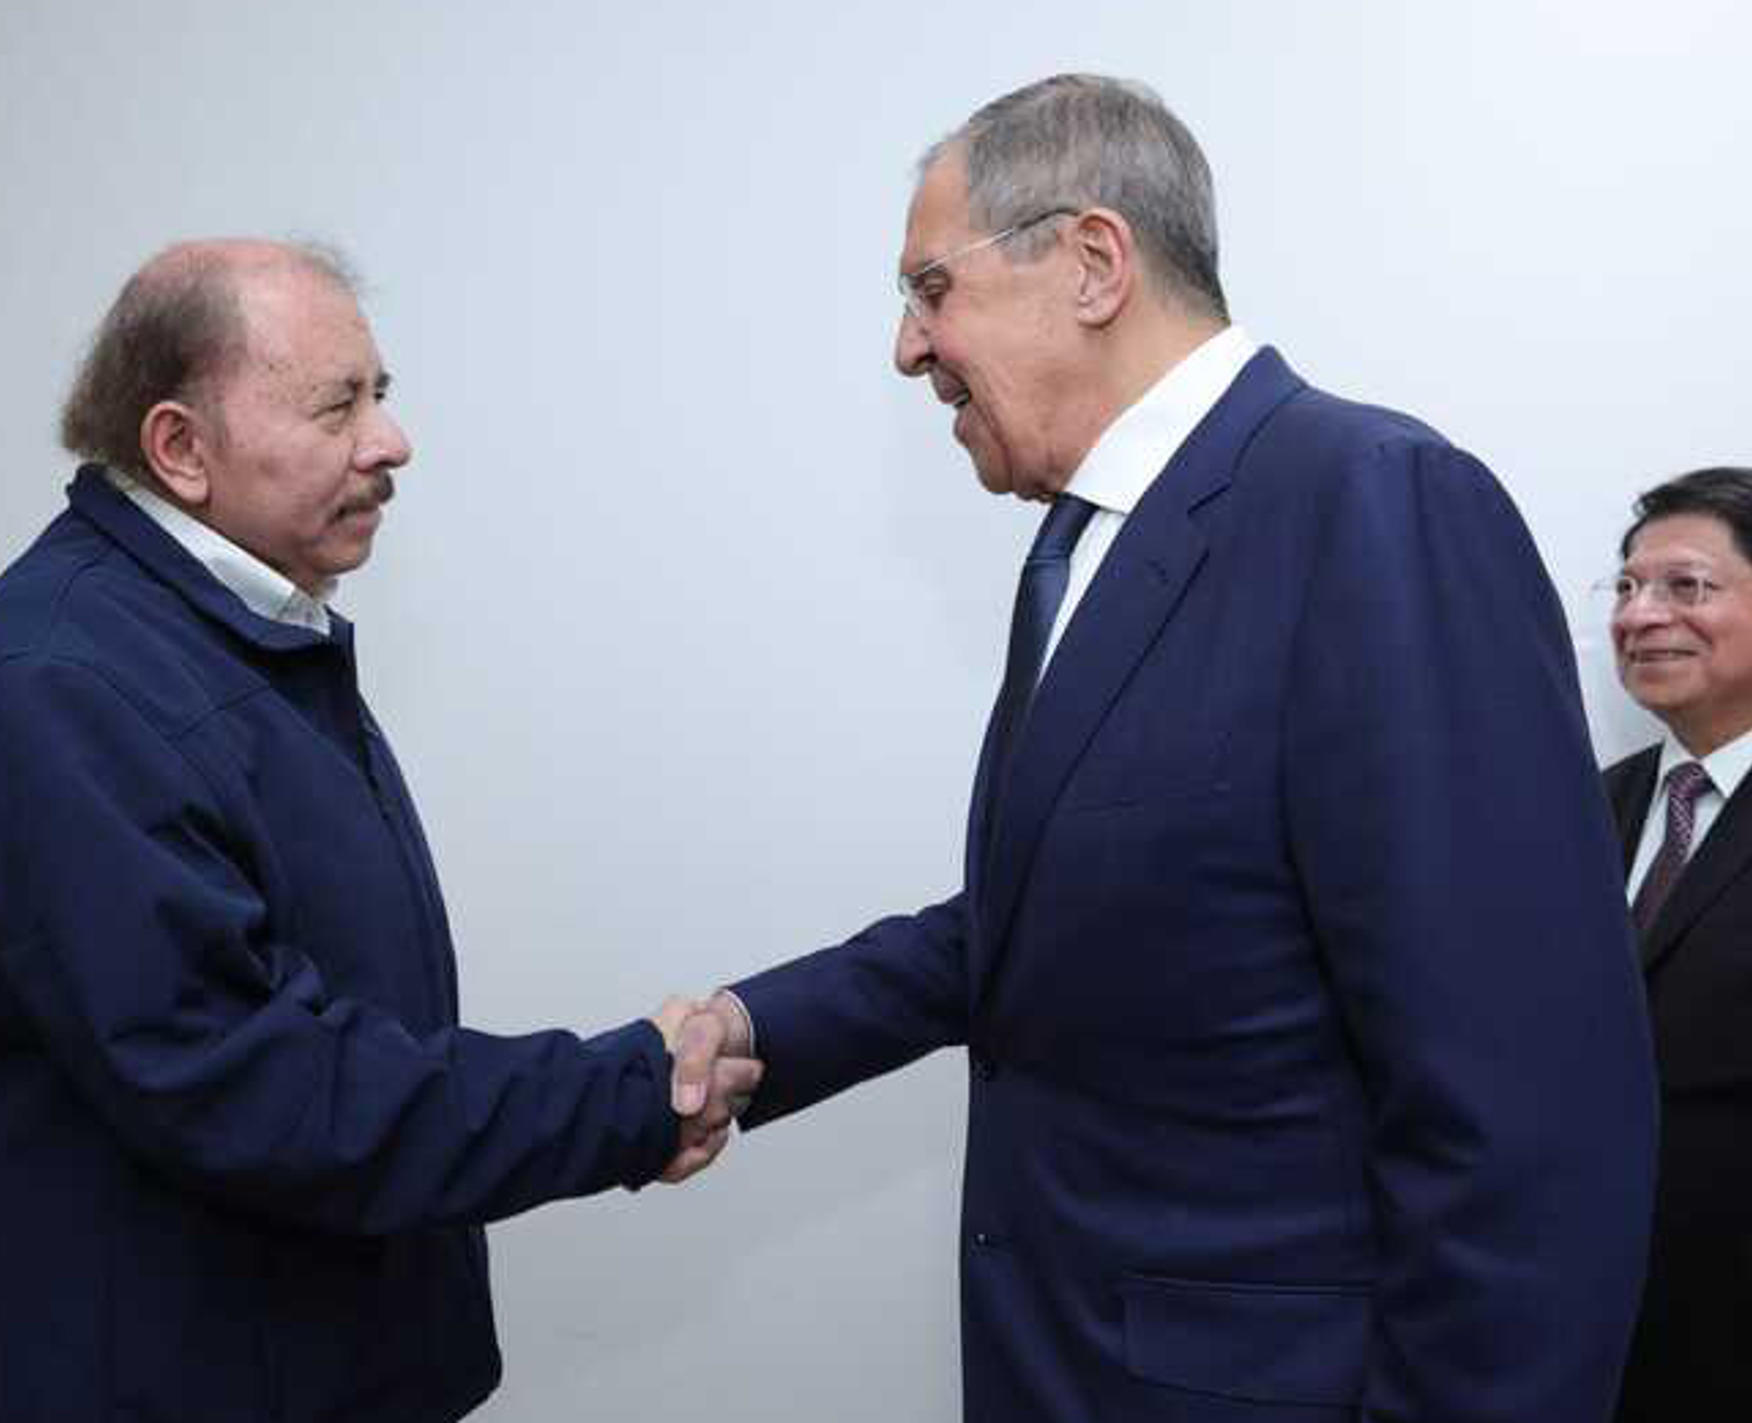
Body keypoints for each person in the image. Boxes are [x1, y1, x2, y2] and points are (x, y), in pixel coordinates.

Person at [692, 74, 1655, 1422]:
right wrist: (754, 1025)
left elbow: (1529, 1115)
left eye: (930, 288)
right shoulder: (1080, 546)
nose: (910, 349)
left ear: (1093, 262)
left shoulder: (1376, 503)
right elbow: (1064, 917)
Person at [0, 238, 756, 1423]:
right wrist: (617, 1095)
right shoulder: (64, 685)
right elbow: (257, 1085)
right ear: (181, 450)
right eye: (337, 404)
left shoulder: (235, 625)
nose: (390, 440)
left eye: (382, 393)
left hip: (310, 1341)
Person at [1601, 466, 1752, 1421]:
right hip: (1606, 1328)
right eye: (1626, 587)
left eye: (1687, 586)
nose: (1641, 614)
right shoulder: (1590, 803)